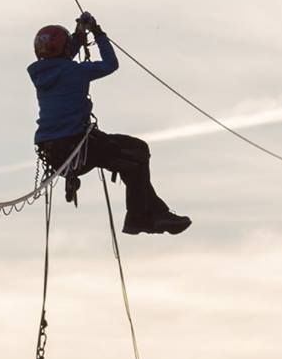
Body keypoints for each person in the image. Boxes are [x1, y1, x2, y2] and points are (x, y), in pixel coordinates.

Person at [30, 13, 190, 236]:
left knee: (130, 163)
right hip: (77, 145)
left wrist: (79, 34)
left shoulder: (41, 74)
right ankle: (140, 217)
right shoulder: (75, 71)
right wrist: (97, 33)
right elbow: (110, 64)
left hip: (56, 151)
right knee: (138, 151)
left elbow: (63, 57)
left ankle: (152, 214)